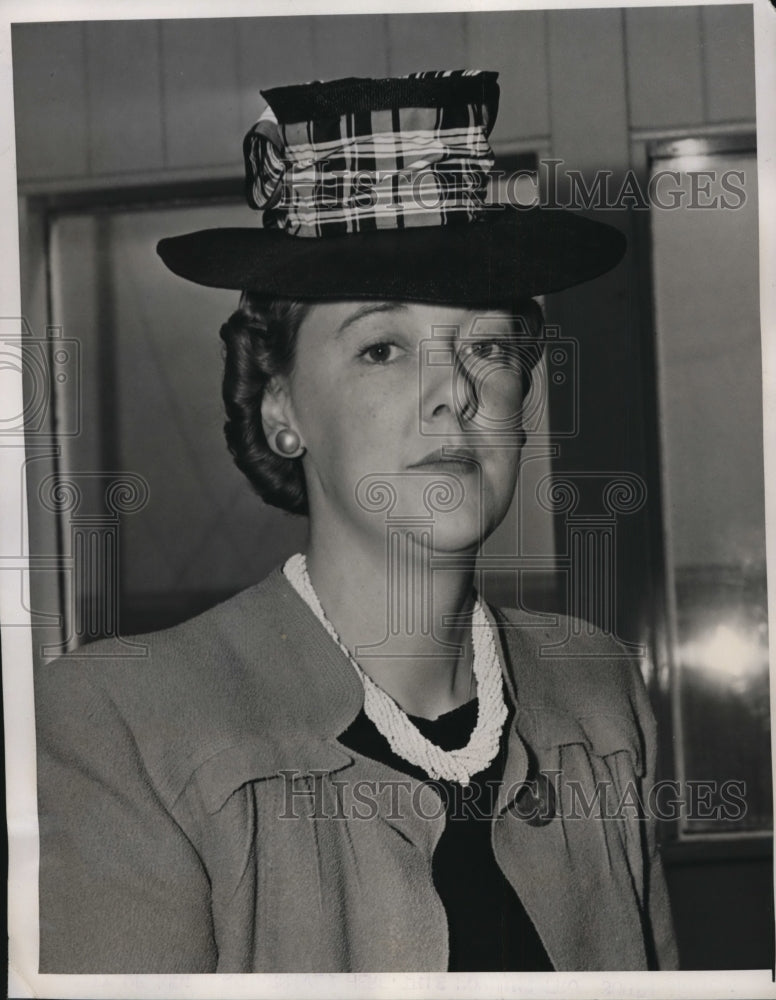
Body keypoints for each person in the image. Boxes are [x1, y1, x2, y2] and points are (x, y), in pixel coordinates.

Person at [35, 69, 678, 973]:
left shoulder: (597, 688)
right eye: (382, 348)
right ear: (281, 407)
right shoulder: (124, 724)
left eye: (488, 346)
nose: (454, 392)